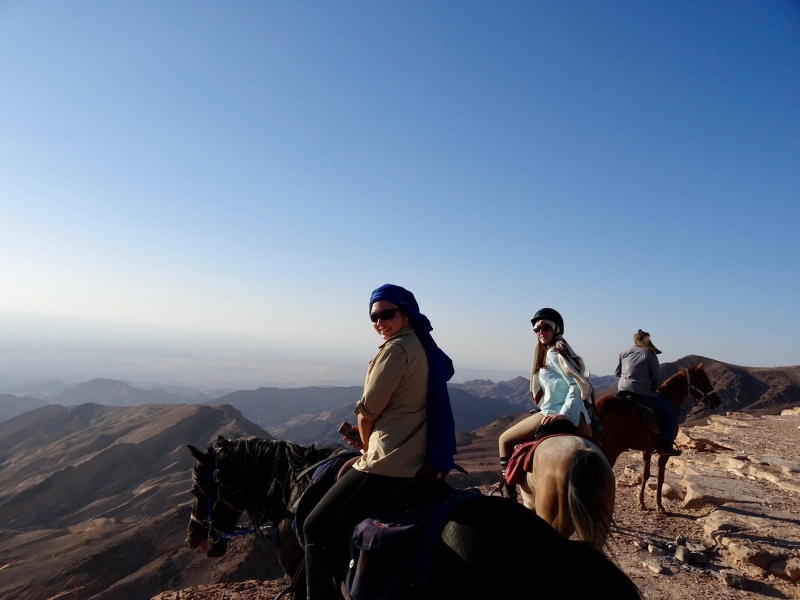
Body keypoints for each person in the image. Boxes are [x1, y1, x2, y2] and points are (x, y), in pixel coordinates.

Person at [302, 284, 459, 600]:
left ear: (406, 314)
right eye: (373, 316)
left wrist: (365, 443)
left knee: (312, 527)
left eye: (387, 314)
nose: (379, 322)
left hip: (390, 460)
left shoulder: (395, 350)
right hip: (424, 453)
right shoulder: (426, 347)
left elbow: (367, 412)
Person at [497, 308, 593, 500]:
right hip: (581, 417)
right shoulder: (562, 349)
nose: (540, 332)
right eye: (536, 330)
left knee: (504, 440)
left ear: (556, 329)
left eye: (545, 327)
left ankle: (509, 493)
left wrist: (563, 413)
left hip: (555, 411)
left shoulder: (553, 354)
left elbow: (576, 385)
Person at [616, 329, 681, 456]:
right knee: (671, 412)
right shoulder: (650, 354)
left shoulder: (623, 352)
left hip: (622, 389)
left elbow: (617, 373)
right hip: (641, 392)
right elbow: (657, 378)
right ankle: (666, 445)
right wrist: (653, 389)